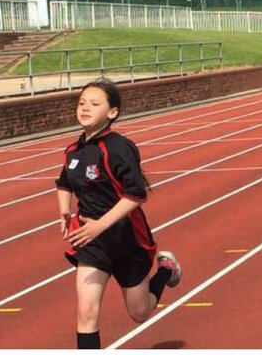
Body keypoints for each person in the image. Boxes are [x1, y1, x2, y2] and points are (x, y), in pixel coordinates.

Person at [56, 79, 182, 349]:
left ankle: (165, 271)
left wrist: (100, 225)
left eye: (94, 103)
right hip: (91, 242)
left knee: (140, 312)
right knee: (86, 311)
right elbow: (64, 183)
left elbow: (136, 195)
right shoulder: (73, 151)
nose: (85, 108)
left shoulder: (119, 148)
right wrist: (64, 211)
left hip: (127, 238)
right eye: (81, 103)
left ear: (112, 112)